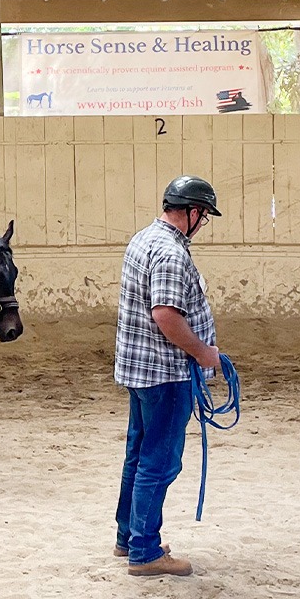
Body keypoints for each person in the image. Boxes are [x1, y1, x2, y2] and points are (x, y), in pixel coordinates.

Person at [113, 175, 222, 577]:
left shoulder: (143, 239)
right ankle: (145, 550)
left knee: (138, 455)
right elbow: (166, 316)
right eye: (204, 215)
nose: (203, 222)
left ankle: (128, 536)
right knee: (160, 463)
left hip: (139, 370)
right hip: (167, 373)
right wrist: (205, 354)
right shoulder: (172, 254)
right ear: (193, 212)